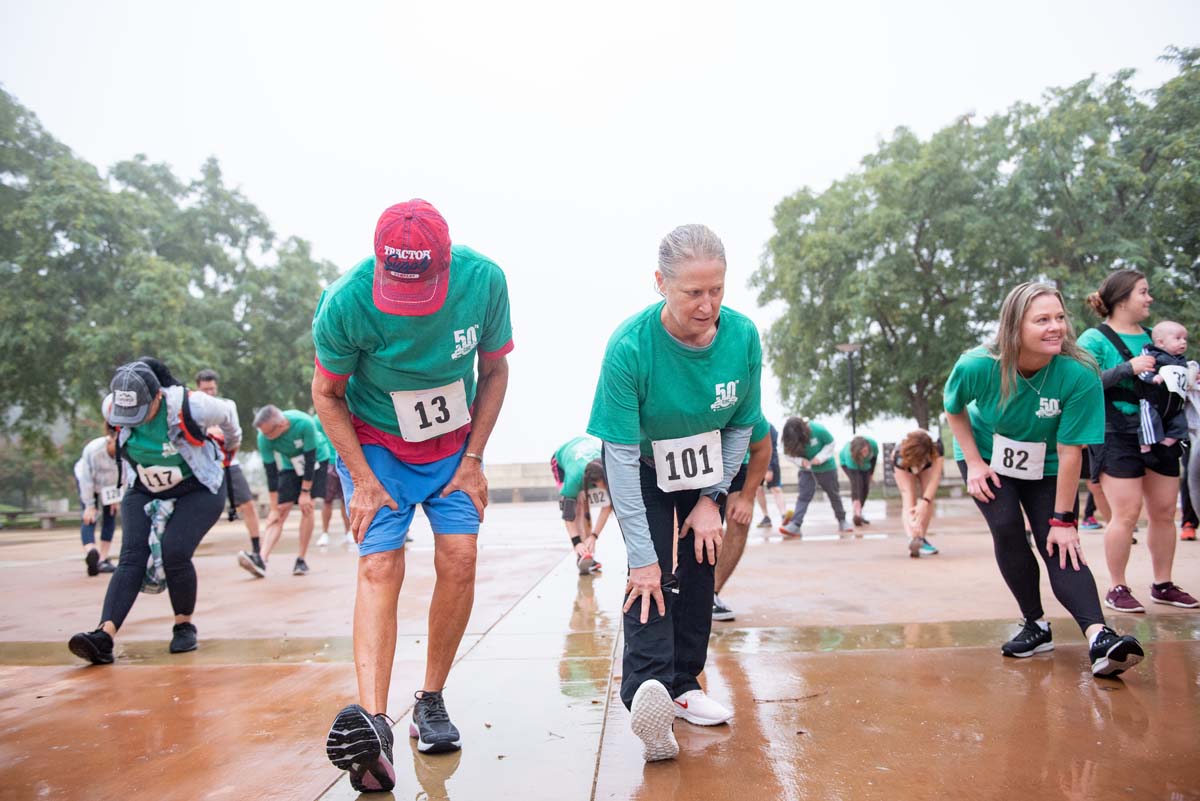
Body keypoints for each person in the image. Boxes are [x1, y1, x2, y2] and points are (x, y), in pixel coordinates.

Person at [314, 199, 512, 792]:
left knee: (461, 556)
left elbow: (495, 371)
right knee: (379, 563)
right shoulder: (346, 301)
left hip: (453, 443)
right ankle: (373, 726)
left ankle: (431, 700)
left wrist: (474, 459)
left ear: (445, 263)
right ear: (380, 265)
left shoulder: (484, 282)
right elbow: (327, 394)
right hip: (375, 443)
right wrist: (364, 478)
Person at [587, 223, 768, 762]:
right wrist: (640, 556)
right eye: (693, 292)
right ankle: (648, 692)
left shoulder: (743, 337)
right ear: (661, 283)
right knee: (651, 572)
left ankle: (686, 683)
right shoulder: (629, 347)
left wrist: (712, 497)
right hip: (641, 462)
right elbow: (617, 456)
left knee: (701, 559)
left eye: (717, 289)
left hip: (706, 463)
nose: (707, 305)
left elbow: (740, 427)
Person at [945, 282, 1144, 678]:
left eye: (1059, 317)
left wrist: (1062, 520)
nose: (1056, 327)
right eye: (1042, 320)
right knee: (1006, 528)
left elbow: (1072, 451)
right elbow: (954, 408)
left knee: (1059, 543)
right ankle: (1035, 624)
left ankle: (1100, 637)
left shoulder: (1079, 372)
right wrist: (974, 462)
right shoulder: (977, 364)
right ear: (1014, 327)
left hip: (1049, 462)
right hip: (987, 455)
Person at [68, 359, 240, 664]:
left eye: (140, 412)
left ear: (157, 396)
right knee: (132, 555)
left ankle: (183, 626)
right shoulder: (113, 407)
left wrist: (230, 449)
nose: (132, 420)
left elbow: (229, 415)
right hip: (143, 485)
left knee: (174, 550)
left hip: (198, 487)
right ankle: (103, 636)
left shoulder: (194, 405)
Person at [1078, 270, 1197, 612]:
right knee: (1126, 513)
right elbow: (1084, 385)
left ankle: (1163, 583)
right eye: (1143, 292)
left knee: (1162, 512)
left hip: (1160, 433)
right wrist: (1126, 368)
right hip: (1117, 433)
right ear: (1121, 298)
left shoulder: (1157, 336)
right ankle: (1117, 587)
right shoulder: (1094, 339)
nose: (1149, 299)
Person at [239, 406, 333, 577]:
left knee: (307, 506)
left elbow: (310, 460)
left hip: (317, 460)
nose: (265, 437)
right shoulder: (263, 436)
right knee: (280, 511)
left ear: (281, 425)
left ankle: (301, 560)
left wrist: (305, 492)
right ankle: (261, 559)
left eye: (268, 433)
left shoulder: (304, 423)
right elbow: (271, 473)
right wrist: (274, 507)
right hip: (291, 465)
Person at [194, 369, 263, 558]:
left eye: (212, 389)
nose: (209, 392)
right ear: (198, 388)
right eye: (205, 389)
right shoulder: (192, 408)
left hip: (228, 462)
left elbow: (234, 434)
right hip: (202, 465)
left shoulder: (226, 405)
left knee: (248, 504)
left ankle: (258, 550)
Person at [712, 436, 772, 621]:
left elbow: (763, 448)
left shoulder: (748, 410)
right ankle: (679, 591)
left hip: (735, 463)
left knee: (740, 520)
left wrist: (747, 497)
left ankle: (710, 594)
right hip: (698, 462)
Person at [778, 417, 853, 536]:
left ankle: (842, 521)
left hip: (826, 468)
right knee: (803, 496)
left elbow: (831, 443)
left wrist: (820, 457)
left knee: (834, 495)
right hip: (806, 470)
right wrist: (800, 461)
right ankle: (795, 525)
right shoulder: (789, 438)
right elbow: (787, 454)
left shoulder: (818, 430)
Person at [551, 435, 612, 574]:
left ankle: (589, 551)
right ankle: (581, 554)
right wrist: (576, 542)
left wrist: (594, 536)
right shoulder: (574, 478)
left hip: (587, 455)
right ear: (594, 482)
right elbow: (568, 515)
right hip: (561, 459)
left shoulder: (609, 466)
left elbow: (607, 507)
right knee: (577, 506)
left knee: (586, 507)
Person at [1133, 321, 1191, 451]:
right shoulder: (1152, 354)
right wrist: (1152, 378)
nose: (1183, 342)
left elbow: (1185, 374)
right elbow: (1142, 370)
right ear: (1160, 342)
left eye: (1184, 339)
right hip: (1153, 399)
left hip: (1175, 402)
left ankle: (1168, 442)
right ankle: (1145, 446)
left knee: (1180, 423)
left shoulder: (1181, 360)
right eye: (1178, 338)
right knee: (1149, 421)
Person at [73, 419, 120, 575]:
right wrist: (89, 505)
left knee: (110, 515)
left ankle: (103, 559)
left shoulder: (128, 449)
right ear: (111, 437)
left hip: (110, 485)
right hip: (88, 481)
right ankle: (91, 552)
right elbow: (86, 479)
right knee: (89, 517)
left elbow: (125, 475)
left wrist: (116, 497)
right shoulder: (93, 449)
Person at [891, 431, 944, 558]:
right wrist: (913, 521)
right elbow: (906, 492)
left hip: (927, 463)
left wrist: (925, 502)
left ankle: (921, 539)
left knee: (928, 498)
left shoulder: (937, 447)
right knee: (908, 497)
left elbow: (935, 478)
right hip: (905, 462)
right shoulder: (898, 454)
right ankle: (913, 537)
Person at [312, 415, 351, 548]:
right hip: (328, 462)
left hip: (345, 461)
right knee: (327, 500)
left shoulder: (344, 412)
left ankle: (348, 532)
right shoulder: (317, 420)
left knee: (345, 500)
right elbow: (315, 442)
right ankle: (324, 533)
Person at [839, 435, 879, 527]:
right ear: (857, 452)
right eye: (862, 452)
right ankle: (857, 512)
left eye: (866, 451)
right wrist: (857, 502)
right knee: (858, 486)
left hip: (866, 465)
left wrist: (871, 474)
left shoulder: (873, 444)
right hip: (848, 464)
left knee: (865, 488)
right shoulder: (849, 454)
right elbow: (855, 484)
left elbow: (874, 459)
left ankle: (859, 512)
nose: (865, 454)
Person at [755, 423, 788, 528]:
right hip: (755, 462)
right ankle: (766, 517)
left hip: (770, 461)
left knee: (776, 488)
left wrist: (769, 468)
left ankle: (784, 516)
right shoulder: (747, 424)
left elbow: (771, 449)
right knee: (758, 489)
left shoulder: (768, 427)